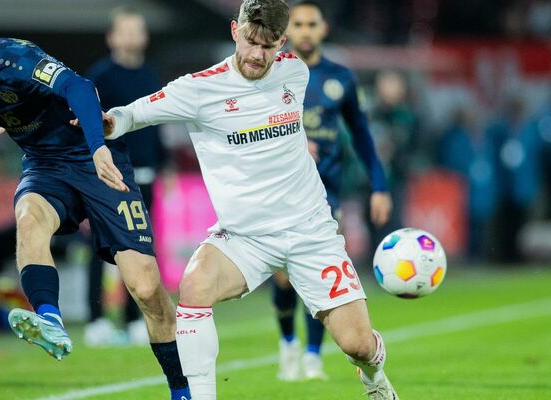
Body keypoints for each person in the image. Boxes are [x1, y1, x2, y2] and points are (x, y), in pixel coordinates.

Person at [95, 0, 399, 398]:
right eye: (251, 41)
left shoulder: (295, 72)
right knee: (194, 286)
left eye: (269, 45)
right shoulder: (199, 89)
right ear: (235, 31)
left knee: (357, 345)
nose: (258, 54)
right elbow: (131, 115)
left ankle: (374, 376)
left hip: (311, 233)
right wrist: (102, 123)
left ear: (283, 42)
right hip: (245, 238)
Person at [0, 3, 190, 399]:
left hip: (96, 158)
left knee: (147, 288)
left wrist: (99, 147)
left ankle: (182, 389)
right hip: (45, 165)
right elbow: (8, 102)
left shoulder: (18, 58)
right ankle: (50, 318)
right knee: (29, 218)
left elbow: (80, 88)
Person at [270, 0, 392, 382]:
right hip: (280, 188)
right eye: (299, 24)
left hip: (326, 191)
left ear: (323, 29)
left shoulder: (341, 77)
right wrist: (290, 144)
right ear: (289, 32)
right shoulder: (271, 74)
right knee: (284, 277)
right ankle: (288, 341)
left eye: (312, 24)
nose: (306, 30)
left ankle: (311, 354)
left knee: (321, 271)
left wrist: (380, 185)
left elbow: (362, 135)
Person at [83, 6, 166, 347]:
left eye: (137, 30)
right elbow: (88, 124)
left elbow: (157, 125)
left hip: (147, 173)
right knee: (102, 247)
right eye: (125, 30)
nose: (132, 36)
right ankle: (97, 319)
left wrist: (165, 165)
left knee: (142, 248)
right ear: (112, 37)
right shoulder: (100, 76)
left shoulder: (151, 75)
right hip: (112, 175)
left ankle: (134, 319)